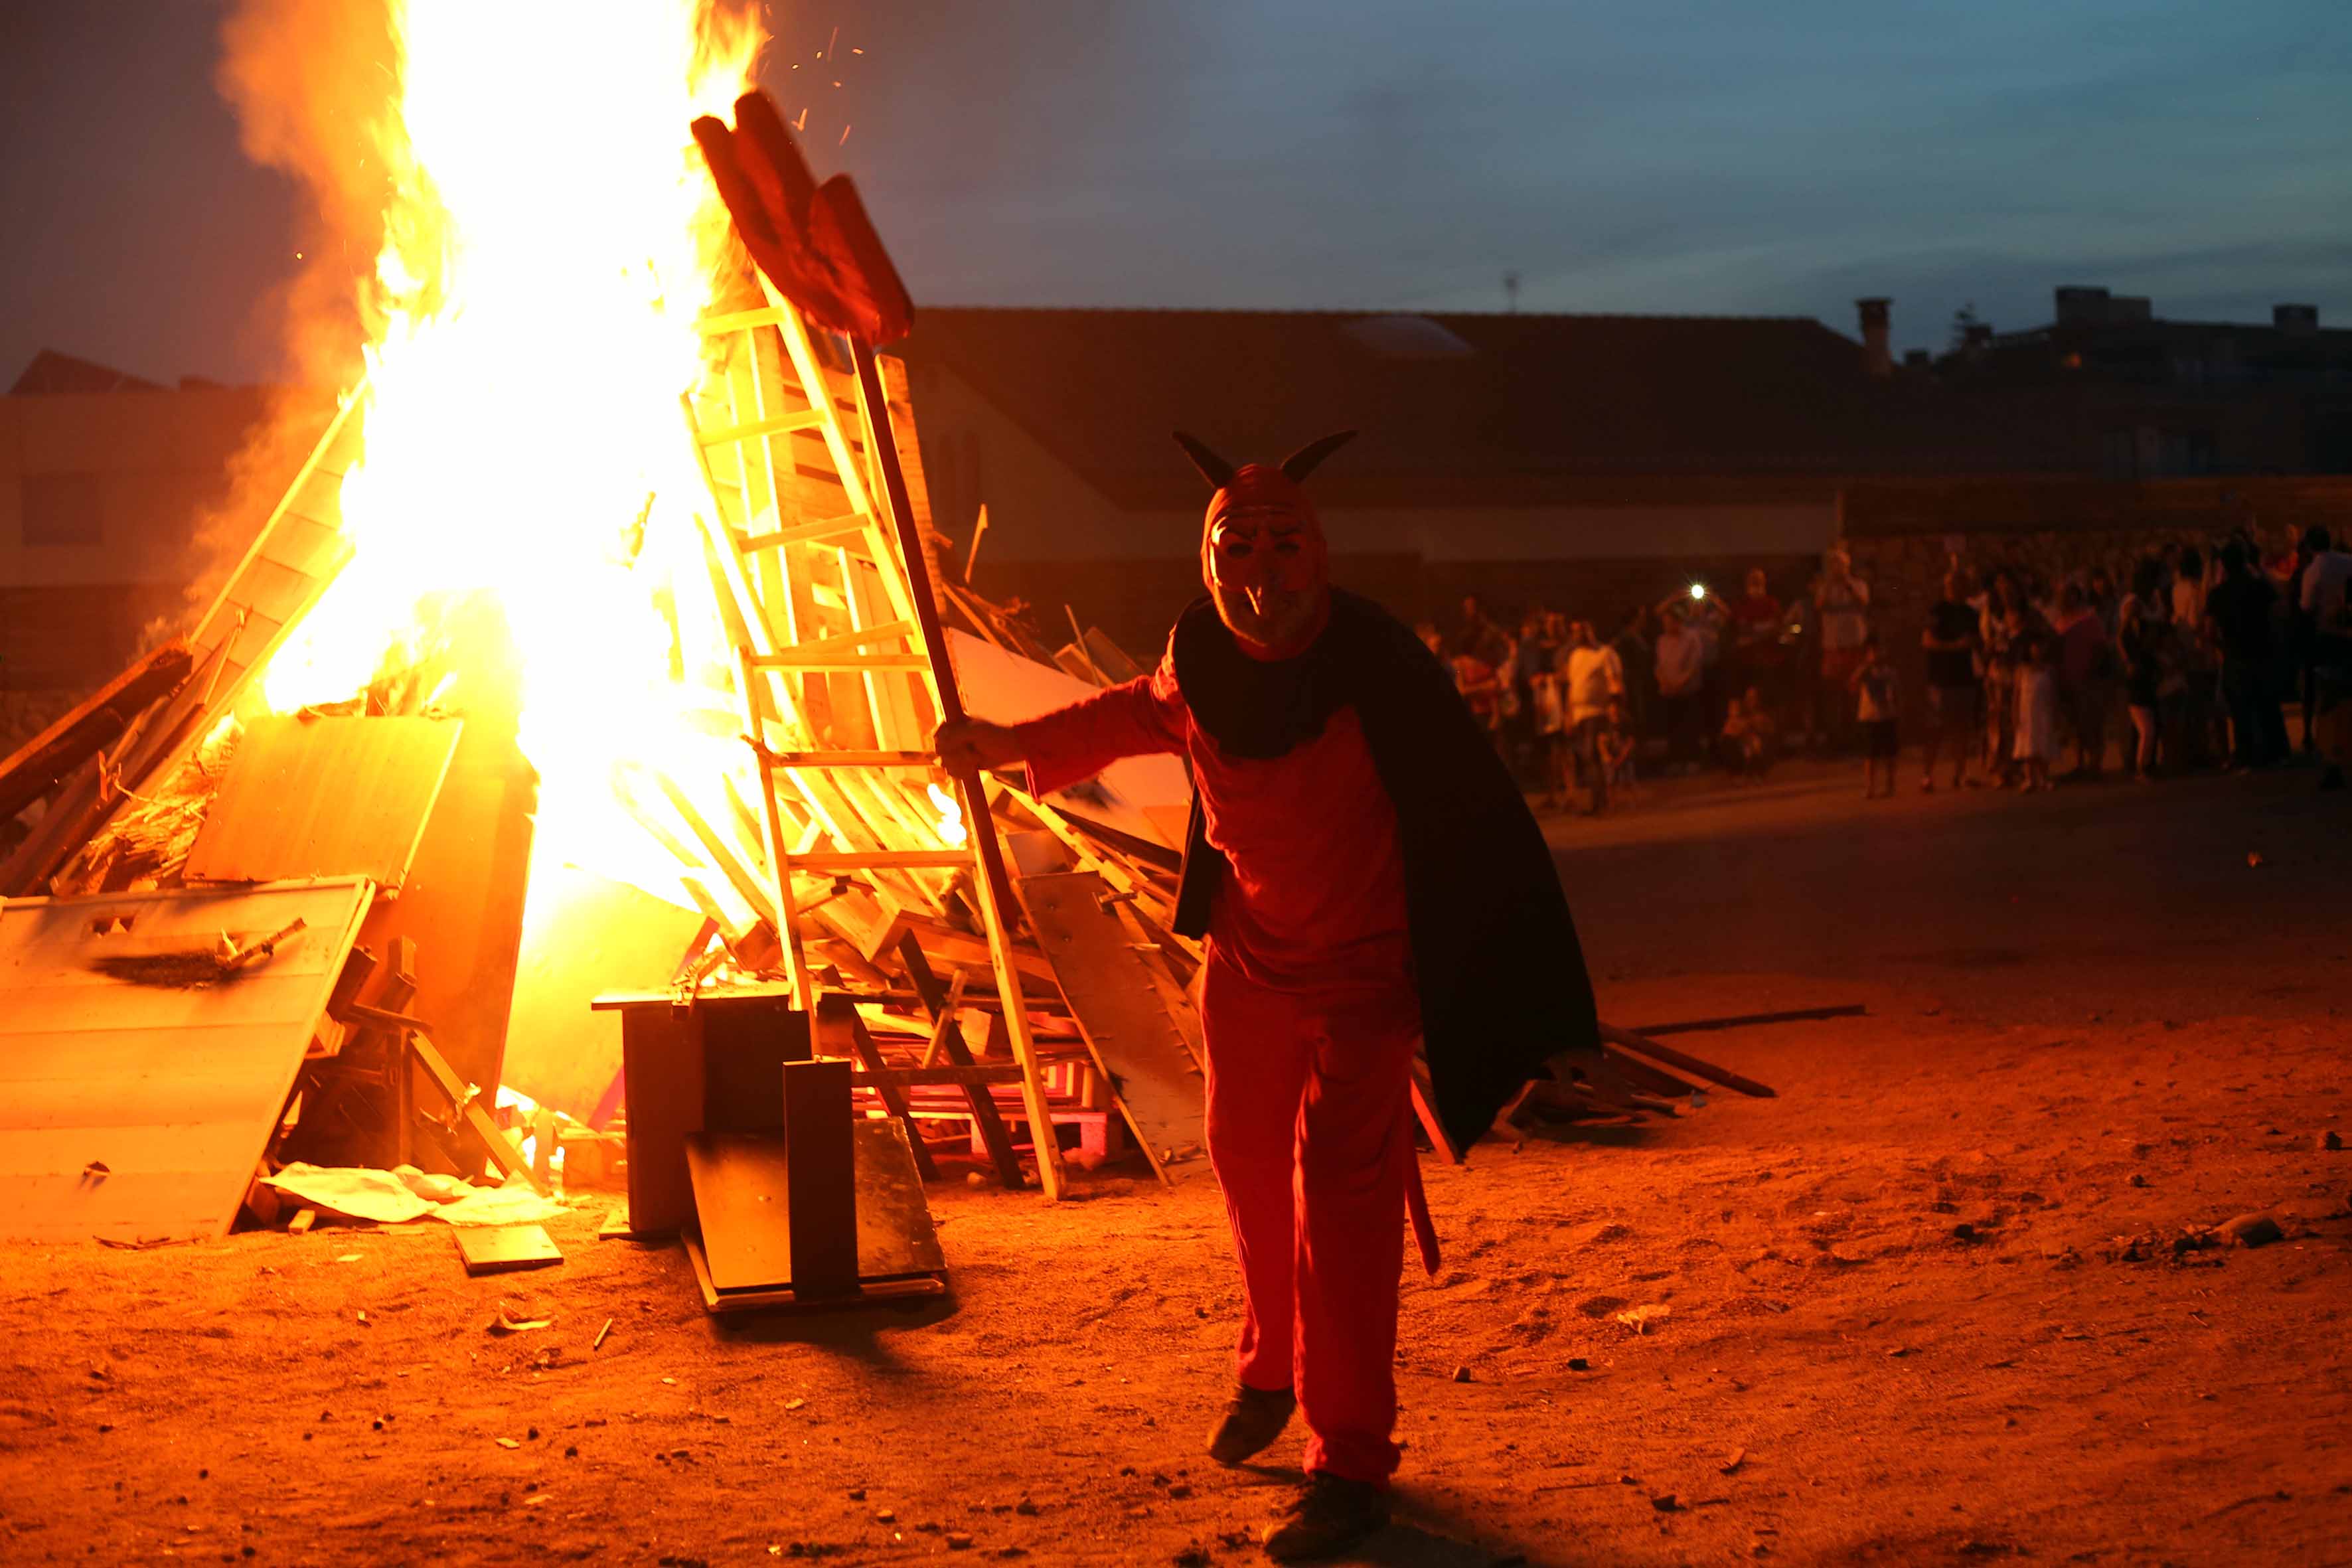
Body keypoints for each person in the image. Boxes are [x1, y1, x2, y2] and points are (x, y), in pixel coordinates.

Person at [933, 430, 1607, 1562]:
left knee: (1342, 1213)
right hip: (1246, 964)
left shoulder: (1378, 668)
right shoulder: (1193, 659)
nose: (1258, 575)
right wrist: (1007, 742)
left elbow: (1477, 815)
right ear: (1205, 561)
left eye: (1279, 548)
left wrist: (1516, 1000)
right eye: (1232, 548)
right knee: (1245, 1163)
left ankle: (1346, 1458)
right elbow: (1127, 713)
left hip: (1366, 976)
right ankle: (1269, 1366)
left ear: (1320, 553)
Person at [2207, 542, 2288, 768]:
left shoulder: (2218, 594)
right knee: (2268, 706)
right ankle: (2276, 754)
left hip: (2235, 656)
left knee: (2241, 712)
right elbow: (2277, 614)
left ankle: (2247, 757)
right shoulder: (2260, 587)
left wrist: (2222, 648)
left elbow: (2209, 631)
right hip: (2262, 653)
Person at [1919, 568, 1980, 791]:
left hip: (1964, 678)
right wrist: (1954, 647)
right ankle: (1927, 775)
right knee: (1935, 728)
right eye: (1952, 584)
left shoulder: (1971, 614)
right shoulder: (1937, 611)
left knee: (1962, 728)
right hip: (1940, 679)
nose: (1956, 588)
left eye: (1960, 584)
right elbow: (1927, 641)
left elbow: (1974, 641)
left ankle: (1960, 773)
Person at [2116, 557, 2174, 781]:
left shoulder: (2152, 600)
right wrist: (2129, 660)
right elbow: (2122, 636)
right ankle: (2142, 766)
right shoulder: (2135, 603)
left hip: (2149, 664)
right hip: (2140, 665)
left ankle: (2147, 763)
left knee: (2150, 717)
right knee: (2144, 719)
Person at [1561, 619, 1624, 815]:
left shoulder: (1604, 654)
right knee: (1587, 759)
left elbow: (1614, 682)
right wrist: (1568, 715)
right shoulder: (1575, 656)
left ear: (1591, 631)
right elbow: (1573, 687)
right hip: (1579, 714)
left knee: (1594, 756)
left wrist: (1615, 708)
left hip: (1598, 712)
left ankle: (1601, 803)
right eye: (1575, 632)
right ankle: (1597, 801)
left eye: (1581, 631)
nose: (1578, 635)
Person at [2049, 583, 2111, 780]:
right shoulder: (2059, 622)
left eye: (2068, 596)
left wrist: (2091, 672)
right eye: (2061, 597)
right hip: (2067, 680)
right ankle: (2080, 763)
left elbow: (2101, 648)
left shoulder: (2089, 620)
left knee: (2091, 722)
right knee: (2076, 725)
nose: (2064, 600)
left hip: (2088, 680)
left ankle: (2095, 765)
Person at [1815, 548, 1872, 751]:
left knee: (1854, 693)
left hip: (1854, 645)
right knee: (1833, 693)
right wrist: (1830, 586)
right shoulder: (1825, 587)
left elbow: (1863, 603)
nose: (1837, 568)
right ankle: (1836, 740)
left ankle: (1855, 738)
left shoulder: (1859, 585)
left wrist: (1847, 585)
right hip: (1832, 646)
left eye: (1840, 564)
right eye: (1833, 564)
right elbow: (1819, 606)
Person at [1652, 605, 1706, 771]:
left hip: (1687, 691)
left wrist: (1680, 683)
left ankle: (1692, 760)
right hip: (1668, 692)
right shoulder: (1662, 640)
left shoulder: (1691, 638)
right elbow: (1659, 665)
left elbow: (1694, 664)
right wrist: (1663, 681)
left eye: (1669, 622)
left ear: (1677, 622)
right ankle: (1675, 760)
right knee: (1672, 728)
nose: (1666, 626)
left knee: (1689, 726)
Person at [1849, 631, 1900, 798]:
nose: (1877, 654)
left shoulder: (1890, 671)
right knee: (1870, 754)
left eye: (1879, 650)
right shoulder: (1864, 672)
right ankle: (1870, 786)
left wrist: (1899, 710)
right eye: (1873, 651)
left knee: (1890, 753)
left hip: (1888, 715)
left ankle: (1890, 785)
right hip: (1870, 716)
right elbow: (1852, 686)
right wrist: (1864, 669)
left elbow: (1897, 691)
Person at [2013, 636, 2059, 792]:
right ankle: (2029, 779)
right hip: (2026, 712)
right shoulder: (2022, 670)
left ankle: (2044, 778)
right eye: (2035, 647)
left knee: (2043, 743)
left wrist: (2055, 712)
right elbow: (2016, 694)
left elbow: (2053, 693)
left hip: (2044, 710)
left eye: (2040, 647)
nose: (2038, 651)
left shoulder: (2049, 670)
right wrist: (2014, 713)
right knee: (2028, 745)